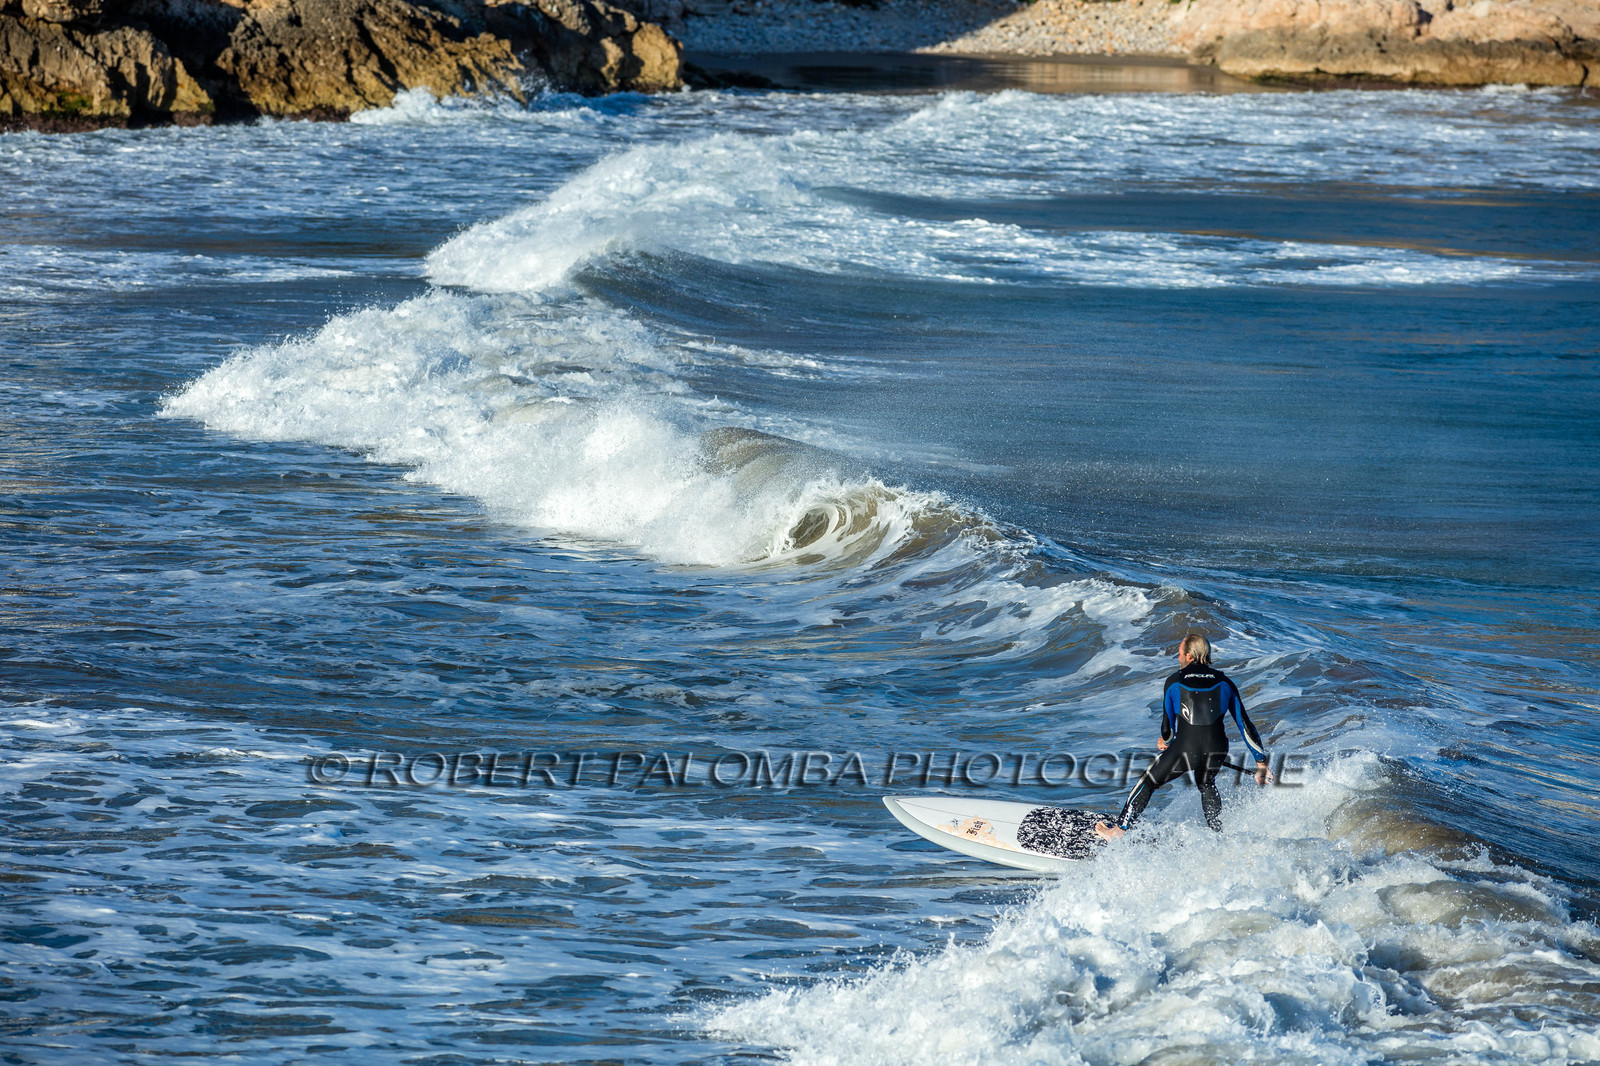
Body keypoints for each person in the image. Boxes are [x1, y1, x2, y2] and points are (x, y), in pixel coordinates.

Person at [1095, 633, 1269, 841]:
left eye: (1179, 653)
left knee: (1148, 782)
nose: (1177, 658)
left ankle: (1118, 831)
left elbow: (1168, 730)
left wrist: (1166, 742)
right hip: (1217, 748)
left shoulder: (1174, 681)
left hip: (1187, 748)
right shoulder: (1226, 683)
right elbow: (1245, 726)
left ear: (1188, 656)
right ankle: (1218, 835)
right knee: (1206, 783)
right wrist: (1261, 764)